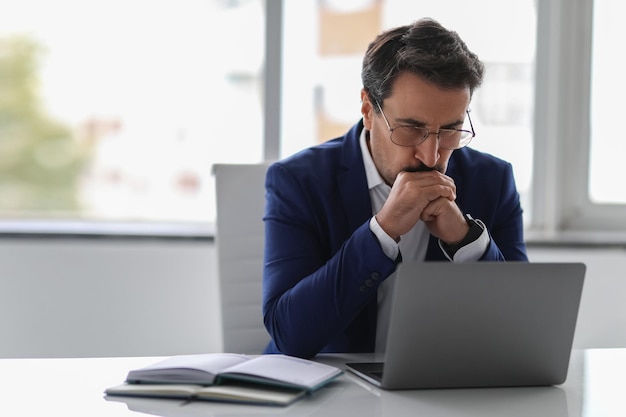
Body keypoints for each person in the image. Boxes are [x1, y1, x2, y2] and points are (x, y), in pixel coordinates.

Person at [262, 18, 528, 359]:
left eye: (450, 130)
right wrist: (382, 231)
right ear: (367, 109)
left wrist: (466, 240)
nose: (431, 155)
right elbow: (290, 334)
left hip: (439, 395)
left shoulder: (493, 181)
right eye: (411, 128)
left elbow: (521, 331)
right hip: (327, 394)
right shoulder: (297, 181)